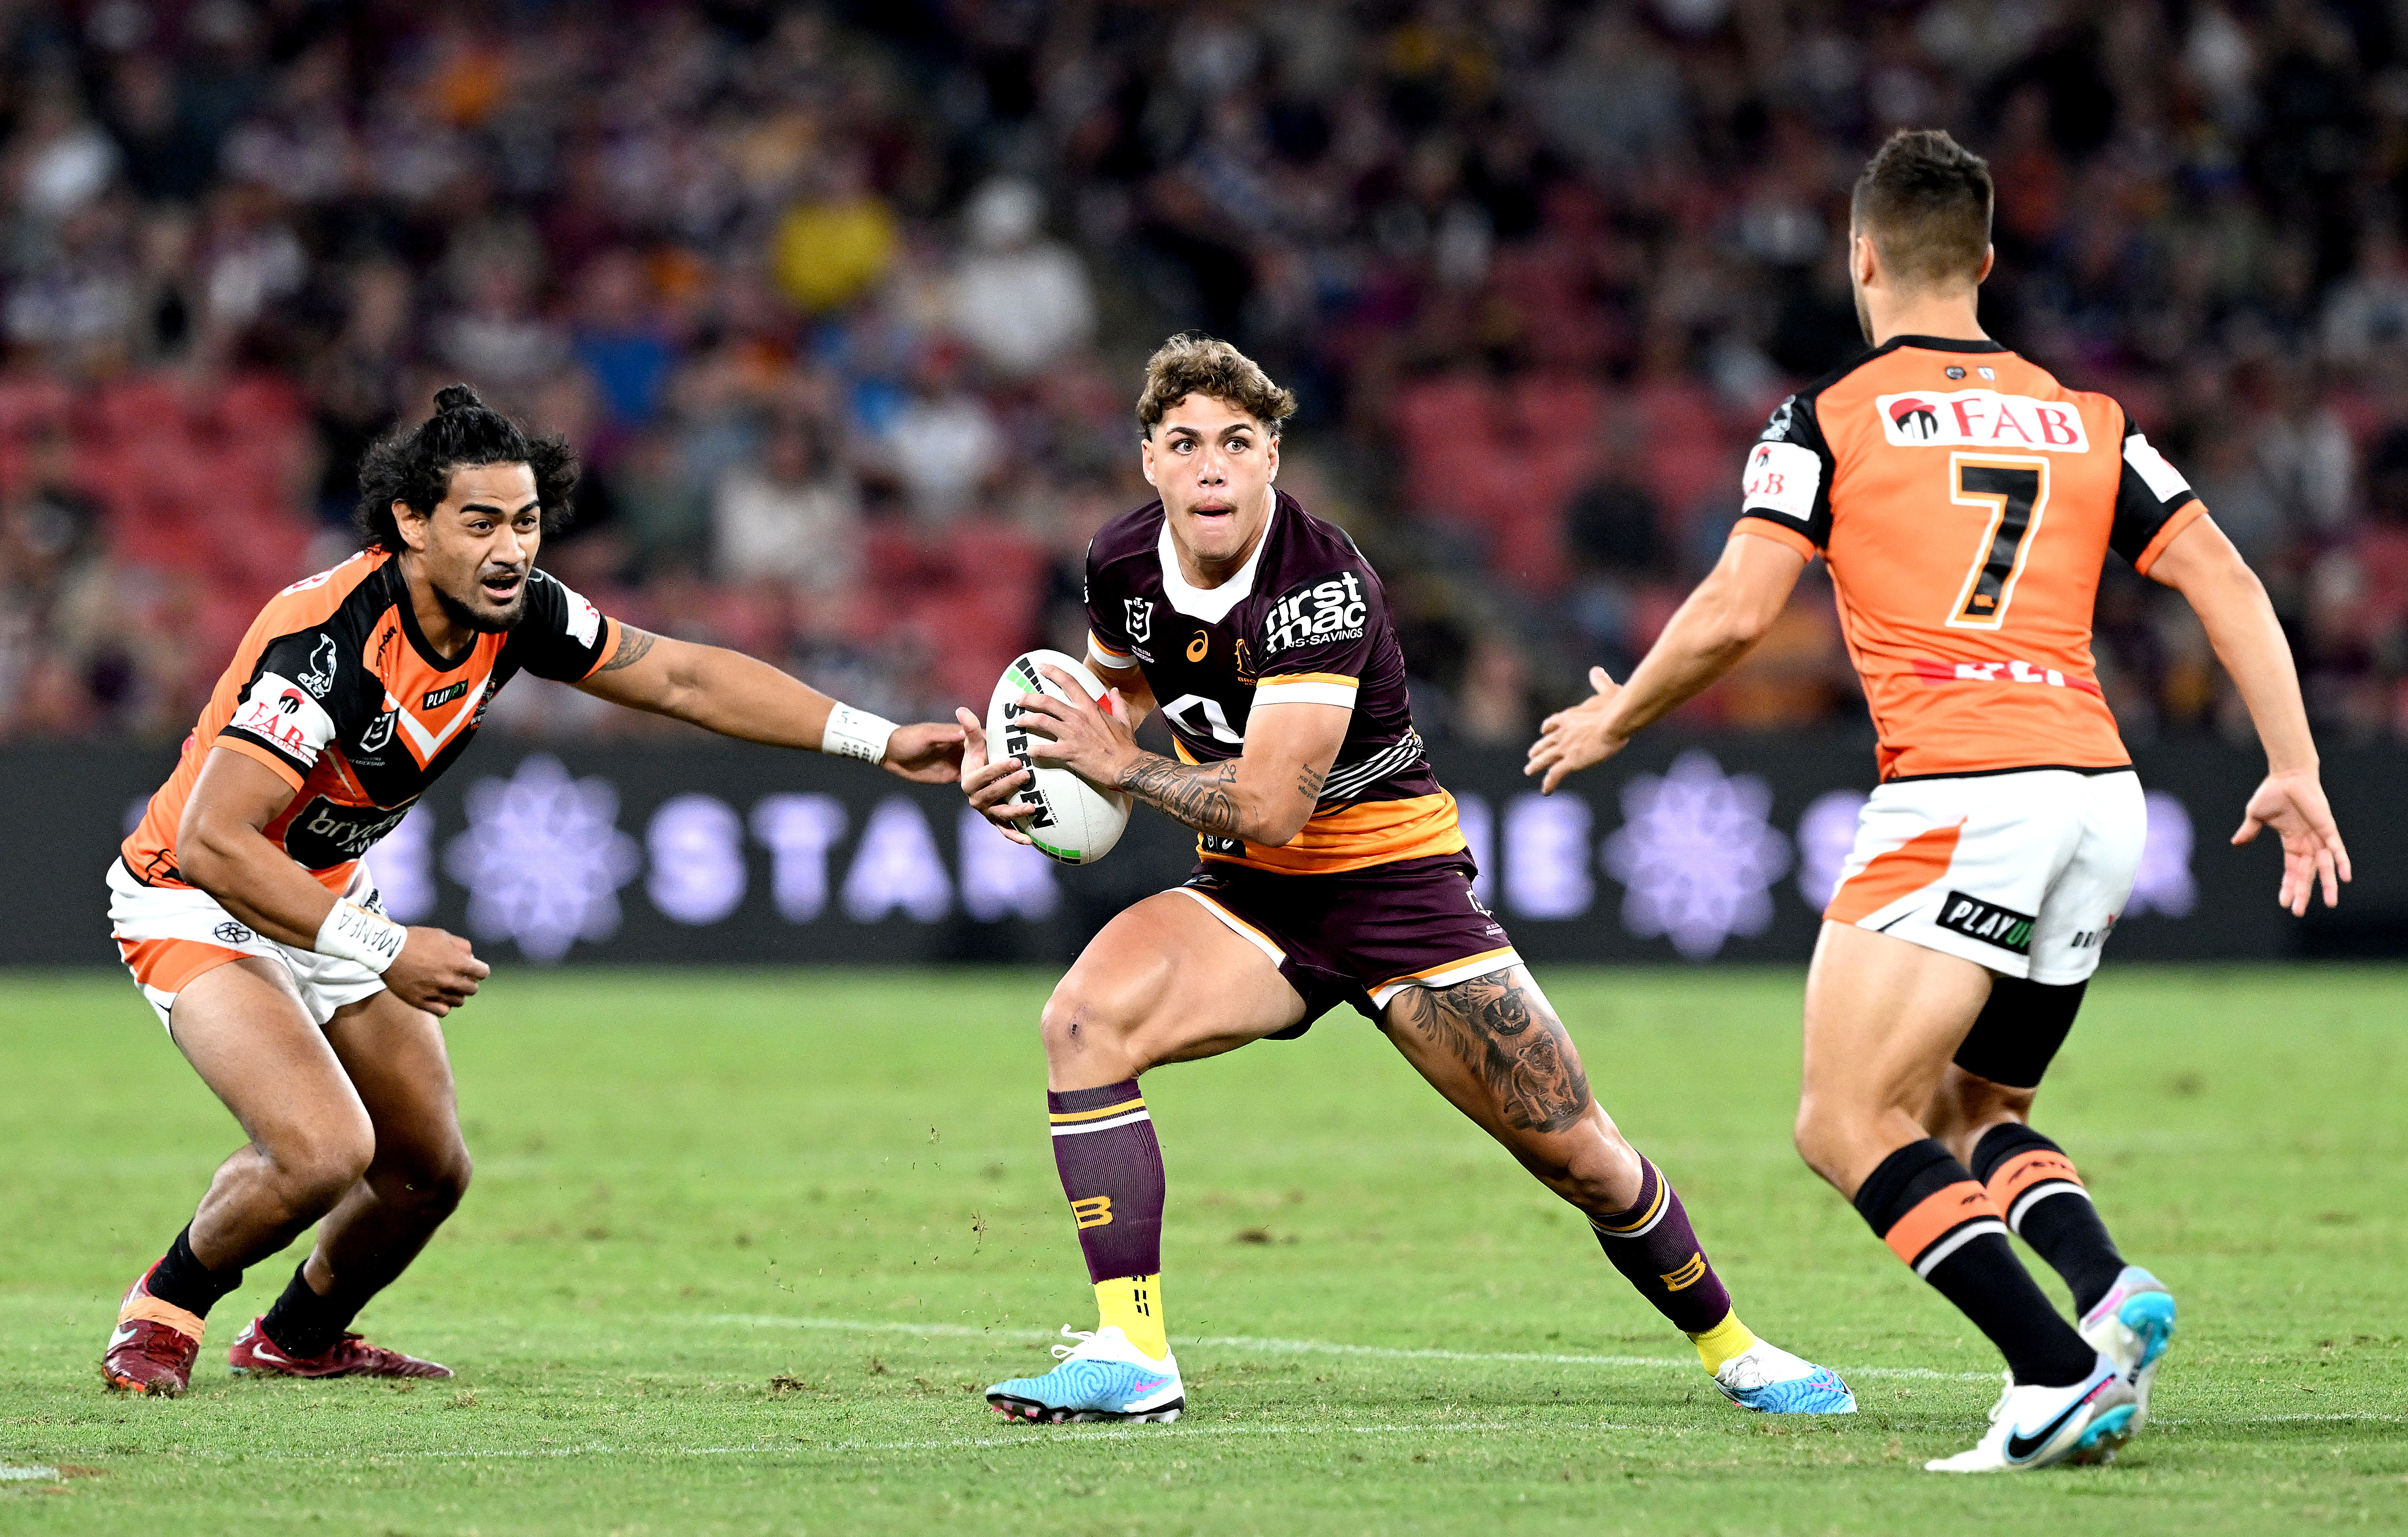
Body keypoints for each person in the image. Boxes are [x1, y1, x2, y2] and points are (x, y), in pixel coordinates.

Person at [1526, 130, 2350, 1473]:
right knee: (1972, 1104)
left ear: (1858, 258)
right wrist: (2293, 762)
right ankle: (2100, 1287)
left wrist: (1619, 712)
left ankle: (2052, 1373)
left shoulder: (1827, 418)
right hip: (2099, 795)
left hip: (1966, 790)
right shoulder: (2088, 418)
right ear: (1982, 262)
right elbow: (2224, 579)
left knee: (1842, 1119)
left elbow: (1739, 609)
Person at [956, 334, 1856, 1425]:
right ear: (1148, 458)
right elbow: (1113, 707)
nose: (1210, 466)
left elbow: (1277, 803)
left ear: (1272, 458)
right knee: (1083, 1021)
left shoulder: (1320, 585)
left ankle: (1736, 1344)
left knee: (1579, 1153)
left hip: (1396, 889)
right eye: (1185, 442)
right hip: (1253, 898)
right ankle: (1133, 1350)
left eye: (1237, 442)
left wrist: (1121, 769)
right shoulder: (1119, 566)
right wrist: (1032, 769)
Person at [102, 385, 963, 1397]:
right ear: (410, 524)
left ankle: (297, 1336)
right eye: (480, 524)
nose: (511, 549)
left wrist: (879, 737)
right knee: (325, 1150)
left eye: (526, 520)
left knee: (428, 1172)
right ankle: (162, 1309)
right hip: (196, 897)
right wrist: (383, 948)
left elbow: (681, 679)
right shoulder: (329, 644)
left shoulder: (518, 613)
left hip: (323, 890)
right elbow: (213, 842)